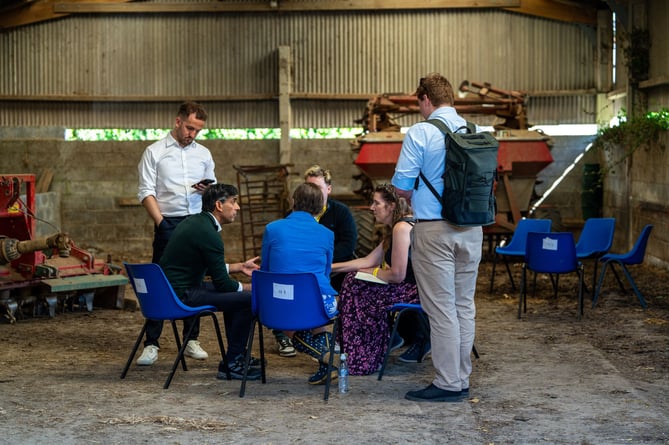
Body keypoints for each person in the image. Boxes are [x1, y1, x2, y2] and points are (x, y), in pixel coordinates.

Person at [391, 73, 483, 402]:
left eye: (419, 104)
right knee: (463, 306)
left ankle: (448, 382)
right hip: (472, 229)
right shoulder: (475, 132)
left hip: (434, 229)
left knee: (441, 308)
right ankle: (461, 377)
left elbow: (402, 186)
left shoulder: (421, 132)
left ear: (426, 99)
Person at [136, 101, 217, 366]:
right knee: (160, 278)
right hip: (167, 220)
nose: (192, 134)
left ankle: (191, 339)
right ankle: (151, 344)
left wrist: (207, 191)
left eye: (198, 130)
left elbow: (212, 187)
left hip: (196, 221)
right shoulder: (154, 152)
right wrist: (161, 222)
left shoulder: (204, 154)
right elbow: (145, 191)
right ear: (178, 121)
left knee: (194, 279)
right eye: (190, 127)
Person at [159, 183, 262, 380]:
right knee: (247, 299)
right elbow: (223, 284)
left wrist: (238, 266)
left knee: (238, 297)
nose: (238, 207)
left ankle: (236, 357)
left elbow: (198, 265)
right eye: (234, 202)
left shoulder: (196, 223)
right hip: (182, 295)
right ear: (219, 205)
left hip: (171, 290)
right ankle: (233, 363)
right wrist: (249, 287)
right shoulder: (209, 234)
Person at [331, 183, 422, 375]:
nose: (372, 208)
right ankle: (367, 350)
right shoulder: (396, 228)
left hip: (415, 291)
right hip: (407, 288)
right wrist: (328, 268)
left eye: (376, 203)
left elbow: (397, 275)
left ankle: (363, 355)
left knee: (355, 287)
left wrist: (371, 273)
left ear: (392, 206)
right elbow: (367, 260)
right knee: (352, 281)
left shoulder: (402, 228)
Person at [273, 165, 358, 358]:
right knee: (312, 290)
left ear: (329, 189)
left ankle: (299, 334)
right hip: (313, 276)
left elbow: (348, 244)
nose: (313, 193)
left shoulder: (341, 212)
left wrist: (314, 258)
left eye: (318, 188)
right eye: (309, 187)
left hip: (334, 270)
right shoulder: (305, 226)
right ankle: (314, 341)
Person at [260, 182, 339, 384]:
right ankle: (328, 359)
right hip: (319, 303)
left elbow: (266, 270)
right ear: (320, 207)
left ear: (292, 202)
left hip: (277, 304)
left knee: (290, 326)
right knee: (317, 318)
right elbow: (326, 272)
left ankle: (325, 360)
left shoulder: (272, 229)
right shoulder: (327, 234)